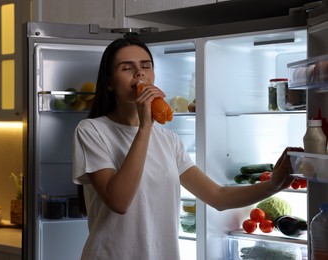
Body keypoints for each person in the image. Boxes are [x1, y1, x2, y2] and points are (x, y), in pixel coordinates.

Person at [72, 36, 302, 260]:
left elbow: (218, 197)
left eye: (146, 66)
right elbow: (119, 201)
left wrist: (273, 184)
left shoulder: (168, 140)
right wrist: (145, 128)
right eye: (126, 67)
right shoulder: (92, 131)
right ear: (109, 82)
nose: (140, 73)